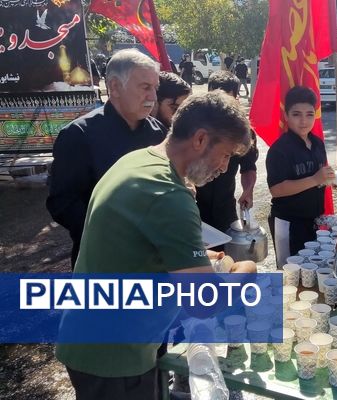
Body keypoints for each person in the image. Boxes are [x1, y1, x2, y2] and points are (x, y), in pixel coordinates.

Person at [55, 91, 256, 400]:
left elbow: (138, 243)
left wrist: (197, 257)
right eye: (226, 154)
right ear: (200, 139)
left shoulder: (139, 160)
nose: (224, 167)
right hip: (115, 357)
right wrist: (246, 270)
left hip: (89, 336)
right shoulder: (168, 194)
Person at [47, 48, 166, 268]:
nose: (153, 97)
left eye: (155, 88)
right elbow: (62, 202)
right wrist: (112, 233)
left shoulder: (157, 133)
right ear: (114, 87)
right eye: (145, 87)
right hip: (102, 259)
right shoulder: (79, 135)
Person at [266, 86, 335, 267]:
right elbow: (277, 189)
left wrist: (329, 180)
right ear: (286, 116)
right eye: (297, 114)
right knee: (290, 272)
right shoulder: (279, 149)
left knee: (312, 269)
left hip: (314, 221)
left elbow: (319, 178)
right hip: (289, 223)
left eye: (309, 114)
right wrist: (315, 180)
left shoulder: (318, 144)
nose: (304, 121)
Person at [195, 71, 258, 247]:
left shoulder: (244, 133)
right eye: (216, 99)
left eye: (227, 100)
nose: (221, 107)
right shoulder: (193, 129)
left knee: (227, 259)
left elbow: (248, 167)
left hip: (225, 209)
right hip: (193, 209)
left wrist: (248, 190)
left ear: (236, 99)